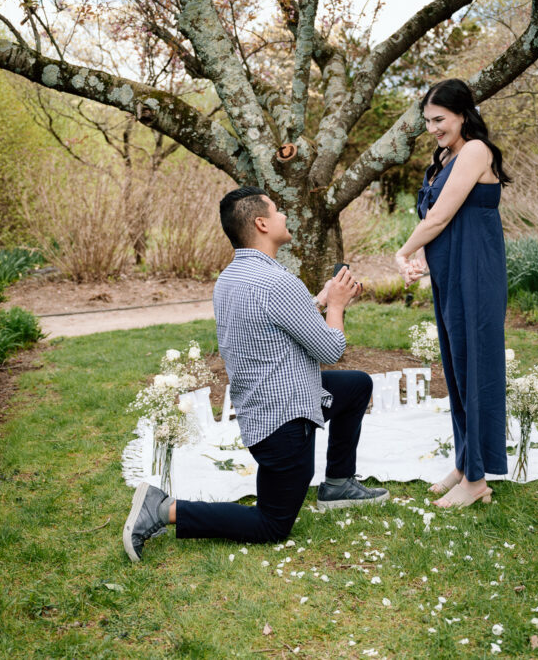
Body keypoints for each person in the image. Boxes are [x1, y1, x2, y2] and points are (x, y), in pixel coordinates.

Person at [123, 186, 389, 561]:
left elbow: (275, 320)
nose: (284, 217)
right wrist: (338, 306)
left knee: (356, 385)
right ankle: (163, 509)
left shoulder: (231, 278)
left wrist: (320, 299)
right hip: (284, 421)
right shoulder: (279, 283)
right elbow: (330, 349)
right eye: (278, 211)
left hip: (262, 405)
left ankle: (338, 484)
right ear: (262, 223)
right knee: (271, 524)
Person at [395, 79, 511, 508]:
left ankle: (478, 480)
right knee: (457, 366)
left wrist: (404, 250)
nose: (432, 129)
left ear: (463, 114)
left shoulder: (477, 151)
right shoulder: (447, 155)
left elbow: (442, 216)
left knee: (476, 368)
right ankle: (465, 464)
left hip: (476, 272)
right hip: (451, 270)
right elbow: (437, 217)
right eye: (427, 121)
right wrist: (421, 258)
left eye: (439, 119)